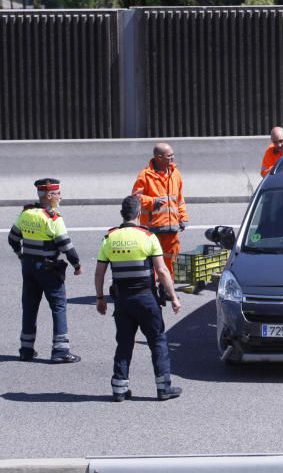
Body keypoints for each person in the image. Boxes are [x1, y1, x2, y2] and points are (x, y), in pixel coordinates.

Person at [95, 196, 183, 401]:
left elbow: (99, 272)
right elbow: (161, 271)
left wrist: (100, 298)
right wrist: (174, 297)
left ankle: (119, 389)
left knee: (124, 343)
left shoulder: (109, 238)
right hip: (146, 299)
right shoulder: (147, 236)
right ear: (138, 214)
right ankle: (163, 388)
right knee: (158, 341)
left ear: (122, 214)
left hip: (122, 301)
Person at [7, 178, 83, 363]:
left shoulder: (26, 214)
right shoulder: (53, 218)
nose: (60, 196)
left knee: (30, 306)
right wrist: (77, 265)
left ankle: (26, 349)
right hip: (48, 268)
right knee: (58, 306)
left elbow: (13, 238)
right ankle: (60, 350)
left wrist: (21, 255)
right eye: (58, 193)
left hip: (29, 267)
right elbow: (66, 245)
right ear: (49, 196)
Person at [132, 143, 188, 279]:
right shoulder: (145, 175)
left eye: (173, 155)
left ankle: (167, 288)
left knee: (170, 258)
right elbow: (135, 198)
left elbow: (179, 199)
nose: (173, 158)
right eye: (169, 156)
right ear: (158, 158)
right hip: (153, 227)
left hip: (172, 227)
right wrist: (153, 202)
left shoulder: (176, 174)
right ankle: (153, 287)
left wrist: (183, 217)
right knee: (152, 259)